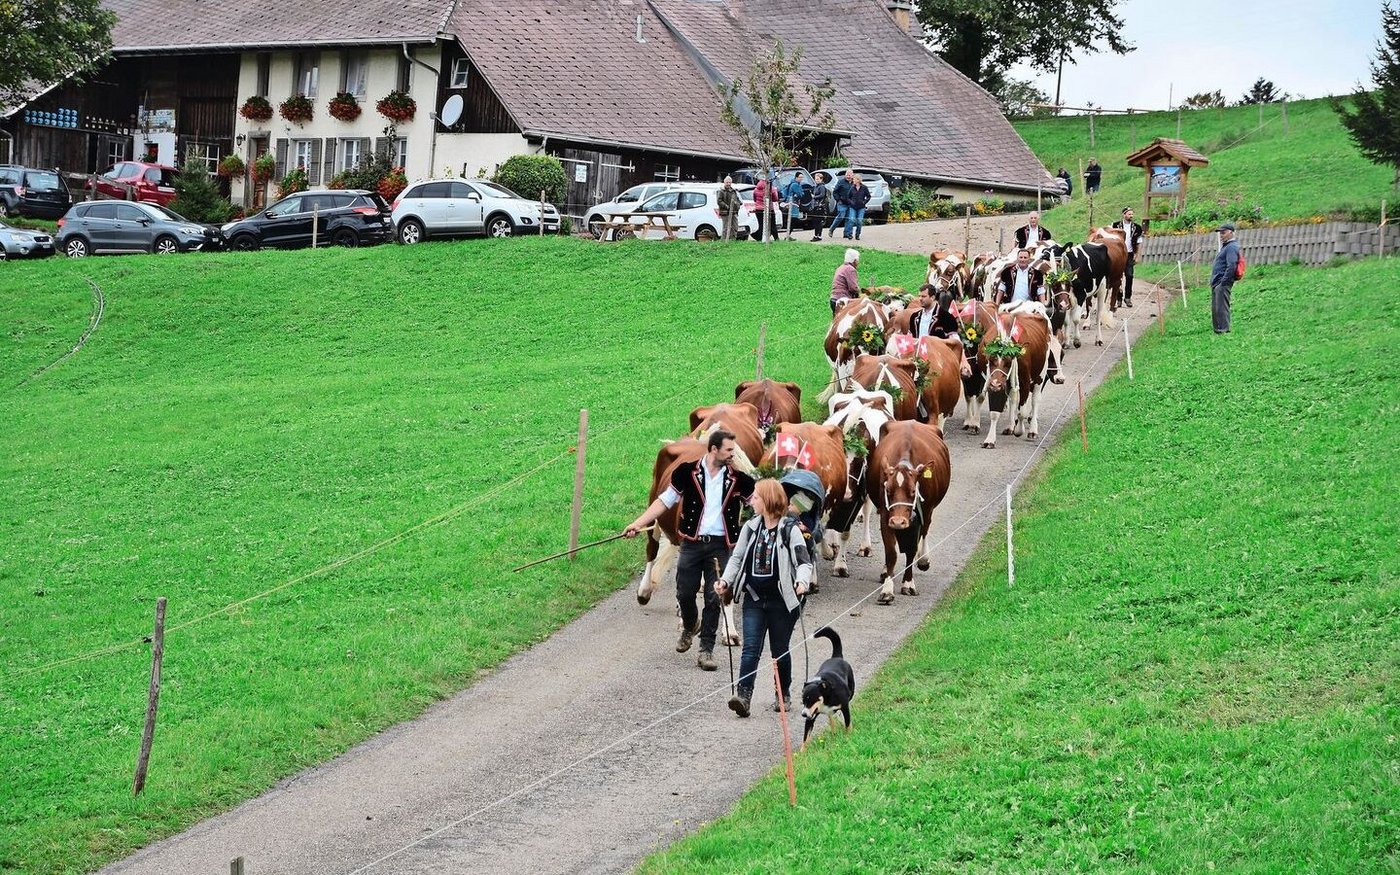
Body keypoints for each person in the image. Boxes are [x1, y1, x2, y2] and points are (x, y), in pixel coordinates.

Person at [624, 429, 756, 670]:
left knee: (714, 598)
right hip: (691, 544)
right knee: (685, 592)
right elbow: (665, 501)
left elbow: (759, 504)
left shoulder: (739, 479)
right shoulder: (688, 473)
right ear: (714, 449)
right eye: (728, 450)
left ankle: (706, 650)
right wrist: (639, 523)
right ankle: (689, 624)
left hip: (720, 546)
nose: (733, 455)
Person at [715, 478, 813, 716]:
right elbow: (737, 558)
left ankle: (783, 695)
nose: (752, 501)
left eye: (756, 497)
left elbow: (803, 562)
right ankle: (743, 696)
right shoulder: (751, 527)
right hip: (754, 599)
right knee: (750, 649)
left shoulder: (791, 530)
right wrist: (726, 581)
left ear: (768, 500)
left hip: (783, 601)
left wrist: (802, 582)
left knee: (779, 650)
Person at [1210, 222, 1241, 334]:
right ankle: (1218, 329)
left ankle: (1223, 329)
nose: (1221, 235)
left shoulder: (1232, 247)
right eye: (1220, 233)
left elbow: (1231, 265)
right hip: (1217, 282)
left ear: (1231, 232)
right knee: (1217, 307)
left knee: (1222, 307)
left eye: (1223, 233)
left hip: (1222, 283)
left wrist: (1223, 282)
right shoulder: (1226, 246)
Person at [1112, 207, 1145, 306]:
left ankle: (1127, 297)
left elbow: (1139, 242)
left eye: (1132, 214)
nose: (1131, 216)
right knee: (1117, 277)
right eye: (1129, 214)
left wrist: (1137, 255)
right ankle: (1118, 298)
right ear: (1124, 214)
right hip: (1119, 254)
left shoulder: (1137, 228)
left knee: (1129, 275)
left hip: (1129, 254)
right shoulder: (1115, 225)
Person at [830, 247, 860, 313]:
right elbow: (853, 288)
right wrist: (860, 293)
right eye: (857, 260)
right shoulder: (850, 269)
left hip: (834, 299)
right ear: (854, 260)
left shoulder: (841, 267)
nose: (858, 262)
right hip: (842, 300)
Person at [828, 169, 854, 240]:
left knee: (849, 219)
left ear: (852, 175)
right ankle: (831, 229)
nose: (848, 176)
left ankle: (847, 233)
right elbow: (835, 192)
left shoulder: (854, 183)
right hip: (841, 203)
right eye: (847, 175)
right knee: (841, 216)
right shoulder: (841, 182)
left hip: (850, 203)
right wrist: (838, 200)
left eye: (849, 175)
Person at [782, 171, 807, 240]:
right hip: (793, 204)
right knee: (793, 219)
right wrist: (801, 193)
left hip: (794, 203)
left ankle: (788, 235)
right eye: (800, 177)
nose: (801, 179)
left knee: (792, 220)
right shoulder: (795, 185)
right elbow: (800, 194)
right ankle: (787, 235)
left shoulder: (796, 184)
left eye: (802, 177)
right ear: (796, 177)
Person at [845, 174, 871, 241]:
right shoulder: (852, 188)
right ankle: (849, 234)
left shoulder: (864, 188)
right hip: (853, 207)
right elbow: (848, 197)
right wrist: (851, 202)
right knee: (851, 219)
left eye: (854, 179)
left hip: (861, 207)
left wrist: (864, 202)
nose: (853, 180)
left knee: (859, 221)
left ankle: (857, 234)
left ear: (858, 180)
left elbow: (868, 196)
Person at [717, 176, 742, 242]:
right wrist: (727, 206)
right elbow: (719, 201)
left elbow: (738, 200)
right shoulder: (721, 191)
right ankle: (724, 241)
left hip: (734, 212)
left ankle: (732, 241)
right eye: (727, 182)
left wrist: (738, 205)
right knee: (726, 228)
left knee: (735, 227)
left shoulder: (733, 191)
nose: (728, 184)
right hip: (725, 212)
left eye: (729, 182)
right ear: (724, 182)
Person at [753, 174, 777, 242]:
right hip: (769, 208)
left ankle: (760, 238)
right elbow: (775, 198)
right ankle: (776, 238)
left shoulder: (756, 189)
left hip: (758, 209)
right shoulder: (771, 188)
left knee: (761, 225)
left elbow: (755, 199)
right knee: (772, 224)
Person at [809, 172, 831, 241]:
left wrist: (814, 197)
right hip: (816, 205)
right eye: (816, 179)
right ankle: (817, 235)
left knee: (818, 221)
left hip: (820, 206)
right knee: (816, 221)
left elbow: (822, 195)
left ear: (821, 179)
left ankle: (818, 235)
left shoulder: (822, 187)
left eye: (818, 179)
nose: (816, 180)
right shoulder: (816, 186)